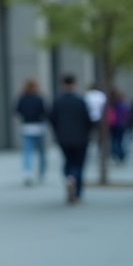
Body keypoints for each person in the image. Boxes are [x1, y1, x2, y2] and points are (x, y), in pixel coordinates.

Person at [48, 74, 93, 204]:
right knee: (79, 164)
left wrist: (58, 132)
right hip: (81, 138)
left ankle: (69, 178)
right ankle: (77, 191)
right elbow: (88, 120)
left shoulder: (57, 101)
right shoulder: (80, 101)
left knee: (68, 160)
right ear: (74, 84)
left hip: (63, 138)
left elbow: (51, 119)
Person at [14, 78, 47, 185]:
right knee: (41, 152)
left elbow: (17, 110)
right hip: (38, 127)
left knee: (28, 151)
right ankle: (41, 173)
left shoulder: (22, 98)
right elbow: (45, 112)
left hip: (26, 127)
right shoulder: (39, 98)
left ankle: (28, 172)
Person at [107, 89, 131, 165]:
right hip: (121, 124)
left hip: (113, 124)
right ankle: (120, 154)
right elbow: (127, 115)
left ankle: (115, 153)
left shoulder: (110, 104)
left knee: (114, 139)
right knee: (120, 140)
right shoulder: (123, 104)